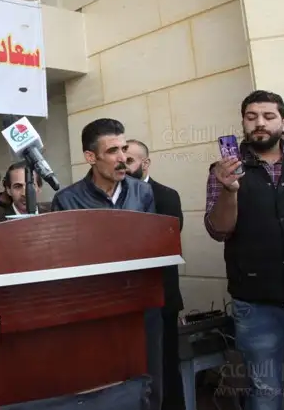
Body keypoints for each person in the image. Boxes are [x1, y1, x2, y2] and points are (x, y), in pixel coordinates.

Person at [204, 90, 284, 410]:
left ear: (283, 122)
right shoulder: (223, 170)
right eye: (251, 117)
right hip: (256, 307)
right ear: (243, 123)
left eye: (268, 116)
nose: (260, 122)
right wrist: (230, 191)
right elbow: (219, 230)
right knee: (265, 396)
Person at [51, 119, 162, 410]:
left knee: (149, 384)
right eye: (113, 151)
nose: (123, 157)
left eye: (124, 149)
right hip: (95, 313)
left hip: (140, 307)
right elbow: (65, 264)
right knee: (103, 391)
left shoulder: (142, 192)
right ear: (91, 157)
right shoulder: (67, 200)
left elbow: (152, 246)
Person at [125, 139, 185, 410]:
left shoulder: (166, 196)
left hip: (161, 299)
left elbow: (165, 243)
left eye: (130, 161)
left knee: (166, 367)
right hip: (127, 301)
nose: (124, 166)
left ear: (145, 163)